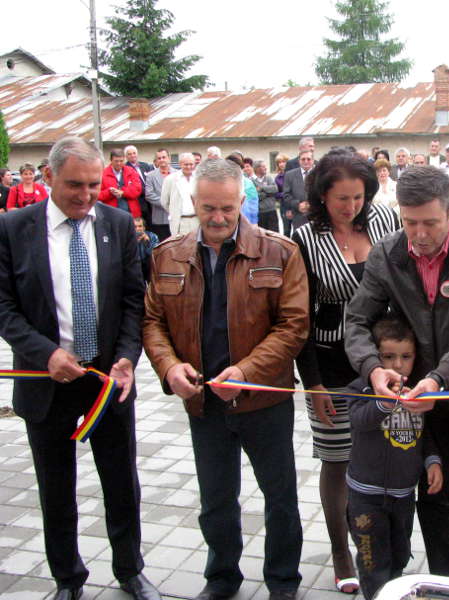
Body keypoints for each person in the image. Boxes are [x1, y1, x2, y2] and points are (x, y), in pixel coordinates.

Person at [0, 136, 160, 600]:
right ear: (48, 177)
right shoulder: (13, 227)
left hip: (107, 380)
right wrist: (44, 353)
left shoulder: (115, 223)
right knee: (56, 487)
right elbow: (5, 307)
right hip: (46, 379)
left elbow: (134, 300)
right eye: (75, 185)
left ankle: (130, 571)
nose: (86, 195)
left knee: (121, 482)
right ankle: (68, 579)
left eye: (94, 184)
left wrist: (128, 357)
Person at [142, 158, 309, 600]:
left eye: (228, 209)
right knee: (216, 501)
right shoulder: (168, 255)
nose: (217, 218)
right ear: (194, 202)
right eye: (208, 208)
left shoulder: (280, 252)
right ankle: (221, 578)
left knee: (281, 499)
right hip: (205, 403)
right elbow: (153, 321)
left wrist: (248, 371)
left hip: (264, 401)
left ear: (243, 202)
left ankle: (283, 582)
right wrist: (168, 367)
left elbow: (293, 325)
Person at [345, 165, 449, 584]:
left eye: (430, 223)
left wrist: (441, 377)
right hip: (420, 395)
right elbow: (357, 320)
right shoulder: (387, 253)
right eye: (409, 221)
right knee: (435, 496)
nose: (418, 233)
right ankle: (447, 585)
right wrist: (374, 369)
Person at [291, 149, 399, 595]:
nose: (350, 206)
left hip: (385, 359)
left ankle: (378, 545)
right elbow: (299, 317)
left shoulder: (385, 222)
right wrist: (312, 382)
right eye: (341, 199)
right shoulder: (303, 237)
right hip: (331, 362)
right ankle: (340, 549)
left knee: (381, 456)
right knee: (337, 460)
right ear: (321, 194)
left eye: (357, 196)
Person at [345, 316, 443, 600]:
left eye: (405, 357)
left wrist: (432, 461)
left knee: (399, 554)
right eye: (388, 357)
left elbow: (426, 434)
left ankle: (393, 591)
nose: (398, 365)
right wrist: (383, 403)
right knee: (372, 562)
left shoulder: (419, 391)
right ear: (375, 357)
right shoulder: (360, 388)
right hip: (365, 495)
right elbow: (358, 421)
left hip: (403, 495)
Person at [98, 149, 143, 217]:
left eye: (121, 161)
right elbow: (98, 195)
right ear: (111, 160)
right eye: (116, 161)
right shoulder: (103, 174)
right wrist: (110, 192)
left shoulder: (131, 171)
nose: (119, 163)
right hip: (111, 214)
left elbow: (138, 189)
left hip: (132, 213)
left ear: (124, 160)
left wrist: (123, 192)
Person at [161, 152, 197, 235]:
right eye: (186, 164)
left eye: (191, 164)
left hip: (197, 220)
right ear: (180, 164)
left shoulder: (199, 178)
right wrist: (174, 211)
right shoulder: (170, 179)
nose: (189, 167)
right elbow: (164, 202)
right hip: (180, 221)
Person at [144, 148, 175, 241]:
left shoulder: (177, 174)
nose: (162, 160)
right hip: (159, 218)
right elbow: (149, 195)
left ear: (169, 158)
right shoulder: (150, 176)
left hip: (175, 216)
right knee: (162, 245)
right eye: (159, 158)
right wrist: (166, 203)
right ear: (156, 160)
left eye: (164, 157)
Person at [283, 150, 315, 233]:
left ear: (313, 160)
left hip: (316, 215)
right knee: (300, 242)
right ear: (299, 161)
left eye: (308, 159)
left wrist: (311, 204)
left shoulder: (320, 174)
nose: (306, 161)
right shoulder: (290, 175)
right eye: (303, 159)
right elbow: (286, 195)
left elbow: (325, 193)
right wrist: (298, 205)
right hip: (298, 216)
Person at [125, 145, 154, 225]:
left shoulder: (145, 166)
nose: (132, 155)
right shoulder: (125, 169)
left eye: (134, 153)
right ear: (126, 156)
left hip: (150, 202)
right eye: (129, 154)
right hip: (138, 202)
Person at [252, 159, 280, 231]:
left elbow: (275, 189)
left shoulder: (269, 178)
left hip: (272, 211)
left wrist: (261, 188)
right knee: (262, 235)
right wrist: (268, 193)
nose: (266, 168)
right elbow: (255, 196)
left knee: (274, 234)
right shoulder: (251, 181)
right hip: (260, 213)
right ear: (257, 168)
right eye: (263, 166)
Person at [134, 216, 159, 283]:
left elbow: (155, 254)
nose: (137, 229)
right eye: (135, 227)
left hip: (149, 265)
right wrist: (135, 243)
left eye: (140, 226)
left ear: (144, 227)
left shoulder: (153, 236)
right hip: (135, 265)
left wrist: (147, 242)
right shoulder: (129, 237)